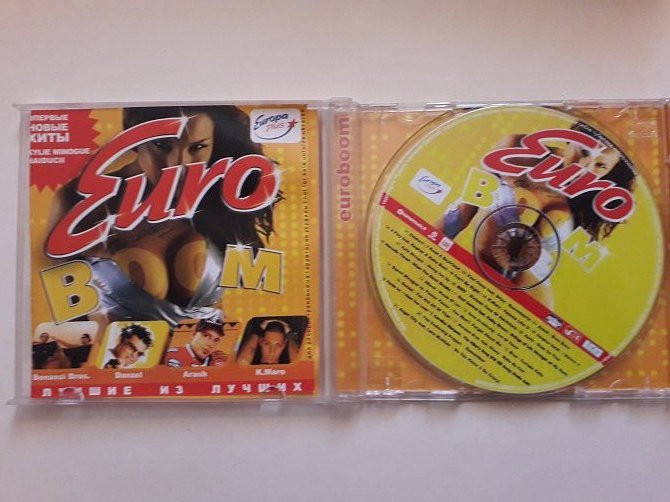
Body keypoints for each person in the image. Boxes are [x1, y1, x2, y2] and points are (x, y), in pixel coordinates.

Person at [49, 105, 281, 329]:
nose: (178, 164)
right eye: (161, 145)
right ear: (133, 139)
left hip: (211, 351)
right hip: (120, 354)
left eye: (197, 147)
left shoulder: (221, 196)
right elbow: (69, 314)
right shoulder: (82, 201)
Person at [439, 124, 635, 306]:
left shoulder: (594, 202)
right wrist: (425, 252)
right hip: (474, 279)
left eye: (600, 166)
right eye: (583, 152)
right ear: (569, 139)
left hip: (530, 301)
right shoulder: (517, 151)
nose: (584, 168)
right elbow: (461, 212)